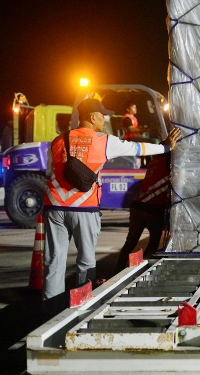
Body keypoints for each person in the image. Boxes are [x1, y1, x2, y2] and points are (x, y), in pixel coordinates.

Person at [43, 98, 181, 318]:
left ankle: (49, 313)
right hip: (83, 207)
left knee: (53, 261)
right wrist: (165, 146)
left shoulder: (59, 140)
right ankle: (80, 311)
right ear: (91, 117)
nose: (104, 119)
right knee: (86, 262)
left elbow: (52, 170)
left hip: (54, 206)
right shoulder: (103, 140)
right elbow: (138, 148)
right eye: (102, 116)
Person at [114, 151, 171, 273]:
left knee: (130, 242)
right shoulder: (168, 161)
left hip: (137, 205)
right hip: (153, 207)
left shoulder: (154, 162)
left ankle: (117, 270)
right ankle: (143, 269)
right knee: (154, 242)